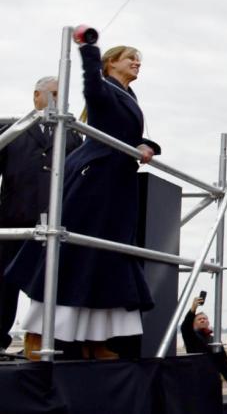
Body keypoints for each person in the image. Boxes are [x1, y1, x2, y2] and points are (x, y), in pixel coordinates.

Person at [5, 43, 161, 359]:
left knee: (106, 260)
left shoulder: (128, 95)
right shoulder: (101, 87)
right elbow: (91, 86)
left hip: (116, 187)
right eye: (130, 57)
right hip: (93, 182)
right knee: (74, 256)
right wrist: (89, 51)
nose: (136, 62)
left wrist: (146, 146)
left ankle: (94, 341)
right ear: (111, 63)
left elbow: (122, 133)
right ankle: (36, 335)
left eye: (138, 59)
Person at [0, 76, 83, 350]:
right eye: (55, 93)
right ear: (38, 96)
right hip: (14, 218)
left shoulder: (72, 133)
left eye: (64, 94)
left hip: (56, 221)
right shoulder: (11, 128)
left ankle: (46, 339)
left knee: (52, 283)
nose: (61, 99)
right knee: (4, 282)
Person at [181, 295, 227, 394]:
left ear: (208, 322)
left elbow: (223, 362)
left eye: (204, 318)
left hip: (213, 381)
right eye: (199, 319)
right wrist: (193, 308)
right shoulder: (191, 337)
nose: (202, 320)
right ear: (194, 324)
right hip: (196, 380)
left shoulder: (214, 340)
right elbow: (185, 327)